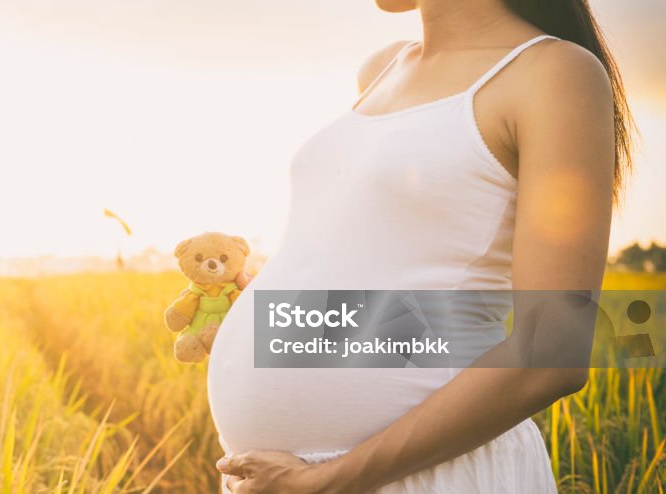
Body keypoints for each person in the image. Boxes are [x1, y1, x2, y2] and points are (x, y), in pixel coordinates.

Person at [206, 0, 635, 492]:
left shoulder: (555, 73)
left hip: (424, 476)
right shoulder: (382, 67)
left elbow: (552, 351)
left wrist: (325, 482)